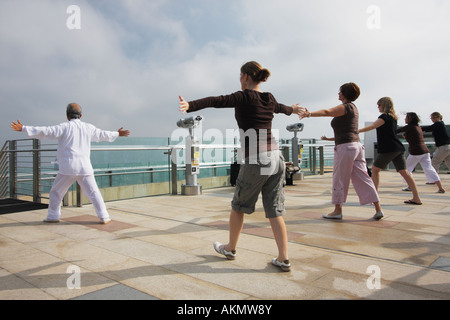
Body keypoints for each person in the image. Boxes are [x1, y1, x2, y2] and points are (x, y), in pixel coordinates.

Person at [178, 61, 301, 272]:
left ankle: (230, 248)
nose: (239, 79)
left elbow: (216, 100)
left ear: (245, 76)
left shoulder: (244, 96)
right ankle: (283, 258)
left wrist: (190, 105)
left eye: (239, 76)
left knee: (238, 206)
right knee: (274, 210)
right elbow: (282, 109)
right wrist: (294, 109)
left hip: (257, 157)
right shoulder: (268, 97)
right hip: (276, 157)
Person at [10, 103, 130, 224]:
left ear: (67, 116)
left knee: (56, 192)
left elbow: (46, 131)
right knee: (94, 193)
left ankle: (53, 216)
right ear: (81, 115)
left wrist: (24, 128)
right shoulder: (88, 127)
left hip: (68, 167)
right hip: (85, 167)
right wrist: (117, 133)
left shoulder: (64, 127)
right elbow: (102, 134)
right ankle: (104, 216)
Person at [299, 83, 384, 220]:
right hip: (356, 146)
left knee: (339, 178)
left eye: (340, 92)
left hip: (345, 147)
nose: (338, 94)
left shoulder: (346, 107)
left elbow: (327, 112)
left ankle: (337, 210)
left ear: (344, 94)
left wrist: (309, 114)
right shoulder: (354, 108)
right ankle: (378, 209)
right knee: (364, 178)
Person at [358, 97, 422, 205]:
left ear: (384, 105)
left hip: (389, 148)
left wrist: (357, 131)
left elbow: (373, 126)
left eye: (379, 105)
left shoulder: (384, 117)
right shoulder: (393, 118)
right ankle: (416, 198)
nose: (378, 107)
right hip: (398, 148)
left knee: (374, 169)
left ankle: (374, 197)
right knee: (404, 172)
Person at [397, 112, 445, 193]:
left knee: (407, 170)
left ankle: (410, 186)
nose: (405, 119)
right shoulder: (418, 127)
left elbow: (397, 131)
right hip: (425, 151)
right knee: (429, 169)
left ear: (410, 119)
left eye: (406, 118)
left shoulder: (409, 127)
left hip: (416, 152)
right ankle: (440, 187)